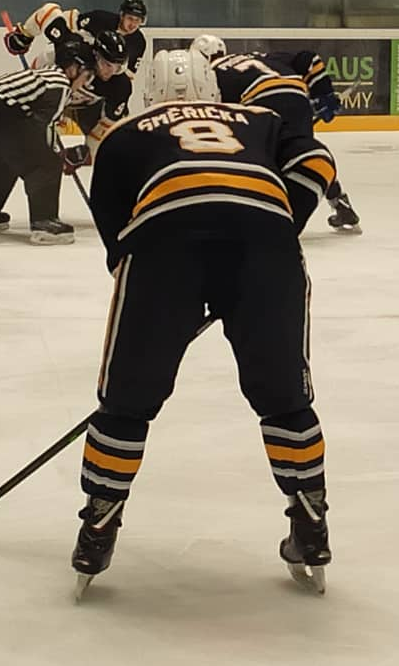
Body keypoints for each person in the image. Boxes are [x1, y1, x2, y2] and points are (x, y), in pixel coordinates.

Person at [72, 48, 338, 596]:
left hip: (164, 248)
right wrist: (275, 227)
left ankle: (98, 525)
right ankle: (310, 521)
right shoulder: (262, 120)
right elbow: (318, 162)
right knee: (284, 397)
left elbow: (117, 235)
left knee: (126, 402)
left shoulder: (123, 133)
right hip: (268, 248)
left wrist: (167, 300)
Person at [0, 30, 123, 244]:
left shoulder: (49, 77)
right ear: (73, 68)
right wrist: (61, 156)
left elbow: (34, 127)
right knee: (45, 162)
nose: (86, 81)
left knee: (8, 160)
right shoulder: (59, 85)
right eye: (86, 75)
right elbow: (41, 129)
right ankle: (44, 222)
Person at [195, 36, 361, 231]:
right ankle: (340, 204)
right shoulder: (263, 56)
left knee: (262, 157)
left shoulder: (210, 73)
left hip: (260, 104)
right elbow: (309, 59)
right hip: (297, 96)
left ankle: (263, 211)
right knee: (306, 151)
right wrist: (323, 95)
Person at [6, 0, 149, 76]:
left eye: (138, 20)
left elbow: (127, 76)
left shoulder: (139, 42)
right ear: (122, 15)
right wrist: (25, 35)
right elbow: (54, 16)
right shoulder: (100, 19)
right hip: (59, 63)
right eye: (130, 19)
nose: (133, 24)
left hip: (89, 83)